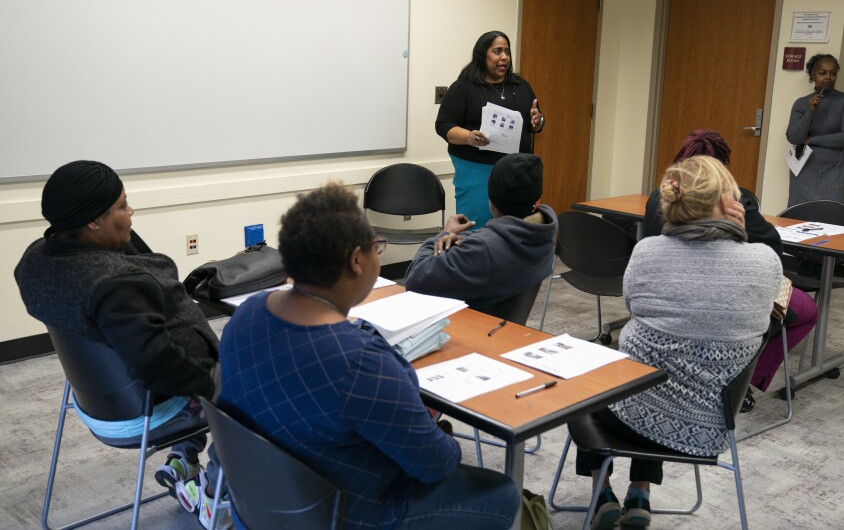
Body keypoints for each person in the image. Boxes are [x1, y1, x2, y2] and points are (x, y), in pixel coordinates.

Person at [218, 182, 520, 530]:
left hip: (263, 503)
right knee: (500, 493)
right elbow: (436, 465)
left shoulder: (246, 314)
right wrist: (428, 423)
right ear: (357, 260)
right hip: (349, 513)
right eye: (377, 246)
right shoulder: (361, 361)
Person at [13, 161, 228, 529]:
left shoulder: (39, 260)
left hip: (98, 403)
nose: (131, 212)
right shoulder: (114, 286)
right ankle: (213, 495)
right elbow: (158, 366)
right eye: (123, 205)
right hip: (144, 412)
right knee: (259, 385)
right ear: (94, 222)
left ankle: (182, 459)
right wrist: (214, 393)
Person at [578, 156, 781, 530]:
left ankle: (601, 491)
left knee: (587, 383)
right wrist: (739, 235)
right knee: (659, 375)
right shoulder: (765, 261)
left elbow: (633, 304)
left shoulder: (647, 253)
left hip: (632, 420)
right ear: (727, 202)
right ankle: (639, 493)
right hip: (713, 424)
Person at [643, 130, 818, 408]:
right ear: (722, 167)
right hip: (722, 308)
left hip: (667, 305)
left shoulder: (657, 198)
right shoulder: (735, 201)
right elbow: (771, 257)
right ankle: (742, 380)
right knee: (806, 309)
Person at [404, 153, 557, 312]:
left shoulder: (484, 250)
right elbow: (495, 236)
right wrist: (464, 239)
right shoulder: (543, 230)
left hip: (466, 328)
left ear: (492, 198)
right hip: (503, 329)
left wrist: (444, 233)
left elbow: (415, 278)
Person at [435, 30, 545, 228]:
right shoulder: (464, 87)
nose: (504, 57)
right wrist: (469, 137)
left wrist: (537, 121)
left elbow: (535, 122)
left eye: (507, 51)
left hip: (516, 171)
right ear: (482, 55)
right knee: (476, 227)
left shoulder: (521, 86)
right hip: (476, 170)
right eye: (497, 51)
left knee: (516, 228)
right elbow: (443, 125)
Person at [786, 53, 844, 207]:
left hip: (835, 172)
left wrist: (812, 140)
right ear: (813, 75)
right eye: (823, 73)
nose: (828, 77)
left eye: (833, 73)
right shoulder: (801, 103)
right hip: (804, 172)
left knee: (831, 217)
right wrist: (810, 111)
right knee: (799, 218)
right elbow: (793, 137)